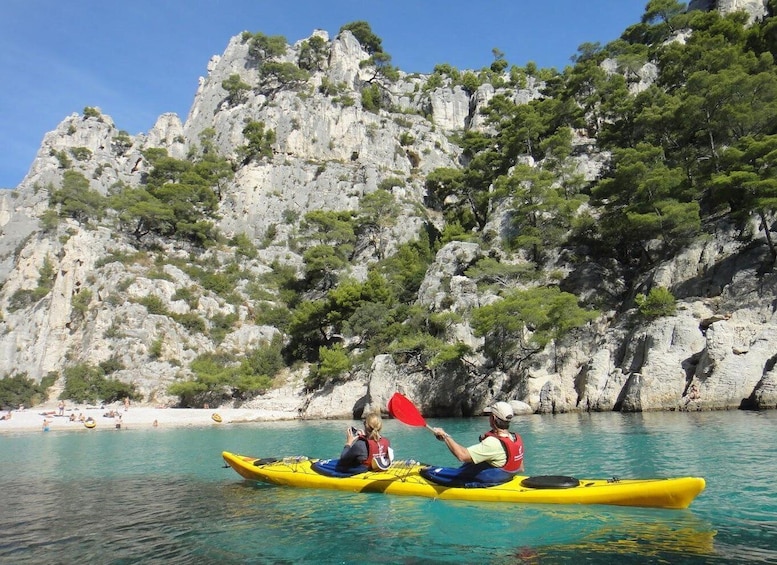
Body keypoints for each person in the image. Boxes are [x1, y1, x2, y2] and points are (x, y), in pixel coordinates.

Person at [432, 401, 524, 474]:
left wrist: (445, 436)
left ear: (493, 418)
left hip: (490, 482)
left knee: (432, 472)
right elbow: (521, 468)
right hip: (506, 477)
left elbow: (462, 456)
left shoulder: (492, 443)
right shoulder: (514, 437)